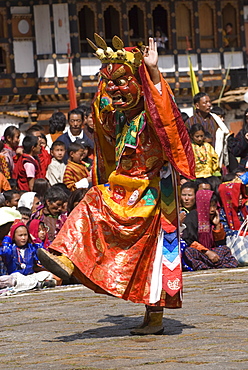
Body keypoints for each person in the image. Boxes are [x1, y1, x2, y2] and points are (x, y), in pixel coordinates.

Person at [37, 35, 195, 335]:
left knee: (157, 254)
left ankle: (153, 314)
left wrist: (152, 72)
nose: (115, 90)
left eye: (122, 82)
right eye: (111, 84)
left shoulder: (151, 114)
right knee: (96, 200)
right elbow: (101, 119)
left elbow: (165, 111)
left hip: (154, 193)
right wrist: (104, 78)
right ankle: (66, 258)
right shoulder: (122, 120)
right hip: (126, 191)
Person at [182, 190, 238, 270]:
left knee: (225, 249)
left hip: (212, 251)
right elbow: (189, 240)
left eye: (214, 206)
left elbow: (220, 243)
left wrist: (217, 225)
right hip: (200, 252)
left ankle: (211, 265)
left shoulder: (213, 217)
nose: (212, 209)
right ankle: (211, 266)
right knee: (189, 252)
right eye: (209, 206)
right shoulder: (192, 216)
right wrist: (207, 252)